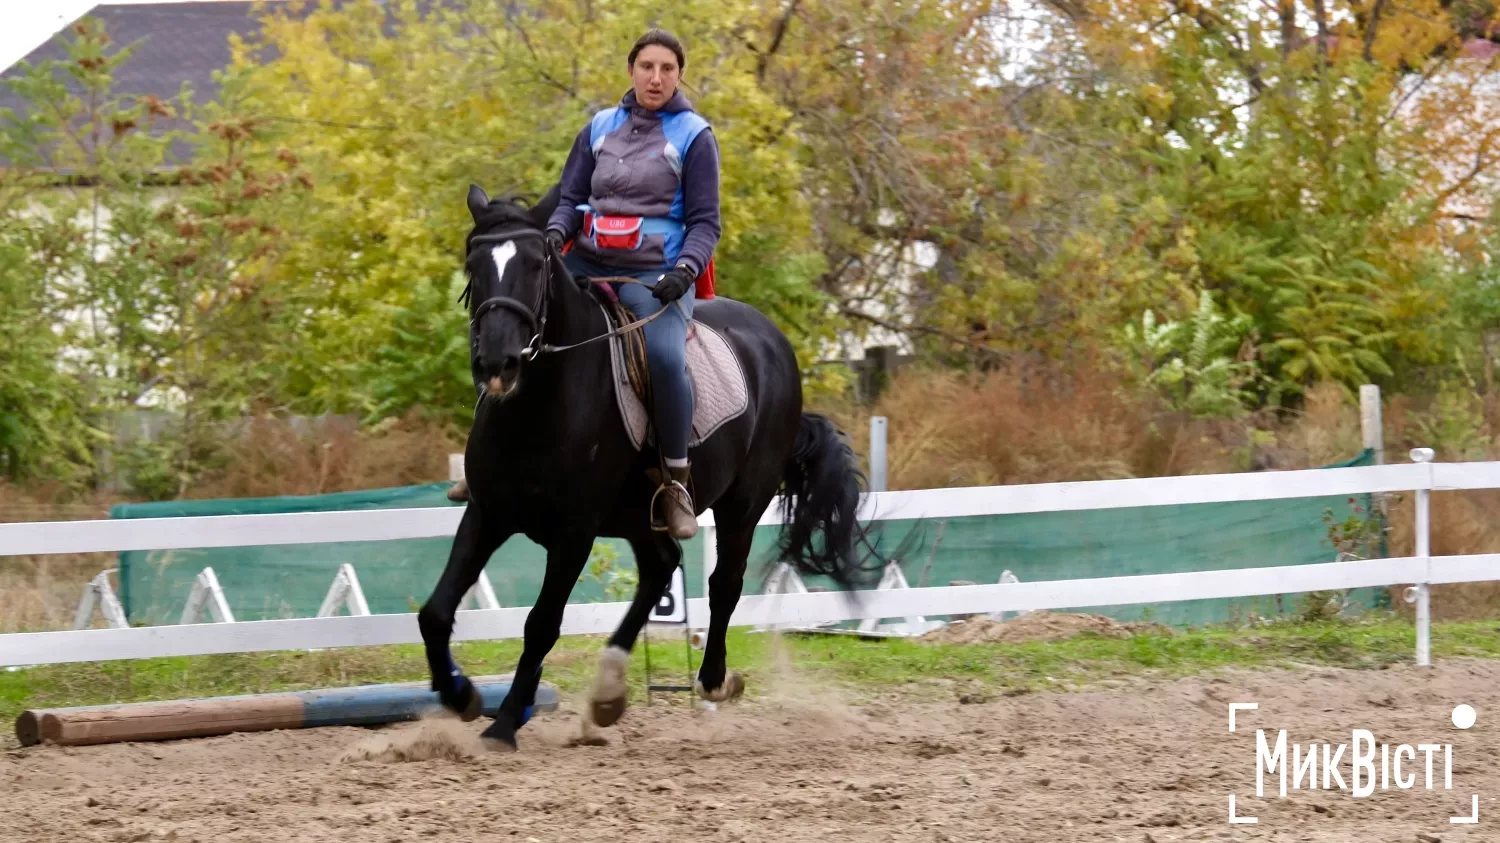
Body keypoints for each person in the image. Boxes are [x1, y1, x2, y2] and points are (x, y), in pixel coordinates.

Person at [449, 28, 720, 542]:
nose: (656, 77)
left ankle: (677, 481)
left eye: (667, 68)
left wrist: (685, 269)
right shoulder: (598, 128)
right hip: (587, 261)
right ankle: (486, 458)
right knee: (509, 320)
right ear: (631, 71)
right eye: (647, 67)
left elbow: (706, 222)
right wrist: (552, 236)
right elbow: (570, 198)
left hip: (656, 274)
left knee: (664, 357)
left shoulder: (694, 136)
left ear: (679, 75)